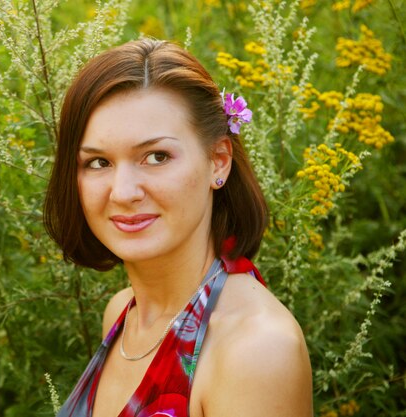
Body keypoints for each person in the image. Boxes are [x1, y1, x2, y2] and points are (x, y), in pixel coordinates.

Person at [44, 38, 313, 417]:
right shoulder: (123, 313)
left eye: (156, 156)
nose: (122, 192)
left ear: (218, 161)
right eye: (98, 162)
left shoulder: (255, 349)